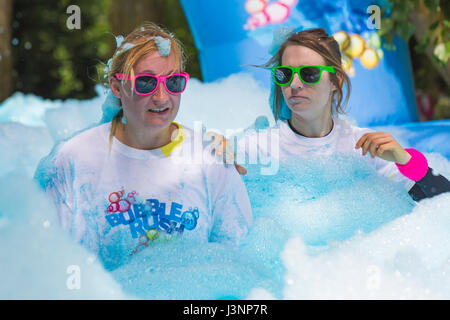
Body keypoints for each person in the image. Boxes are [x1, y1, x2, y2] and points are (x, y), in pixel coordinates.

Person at [35, 22, 252, 270]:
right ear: (117, 87)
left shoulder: (213, 161)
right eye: (146, 83)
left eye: (174, 82)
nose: (162, 97)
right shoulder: (72, 160)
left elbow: (237, 267)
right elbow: (47, 266)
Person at [214, 28, 450, 201]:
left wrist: (406, 161)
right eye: (285, 74)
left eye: (308, 73)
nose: (294, 84)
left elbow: (441, 205)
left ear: (335, 81)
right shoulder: (257, 147)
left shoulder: (364, 146)